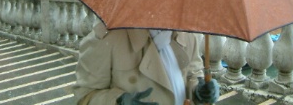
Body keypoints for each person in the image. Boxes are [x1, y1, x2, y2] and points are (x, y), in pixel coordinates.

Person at [74, 23, 220, 105]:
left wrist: (199, 88)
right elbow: (84, 96)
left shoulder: (187, 34)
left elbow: (194, 72)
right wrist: (118, 101)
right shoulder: (108, 37)